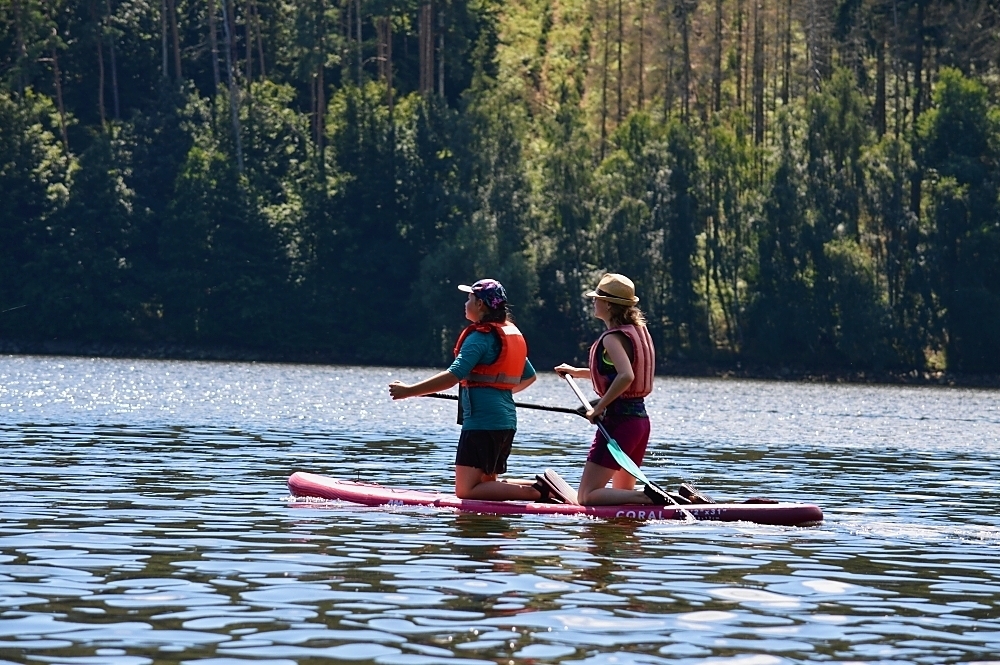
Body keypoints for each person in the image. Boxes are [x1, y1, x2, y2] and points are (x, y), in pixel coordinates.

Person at [388, 279, 544, 501]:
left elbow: (453, 376)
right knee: (485, 484)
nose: (465, 303)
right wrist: (497, 393)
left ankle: (534, 493)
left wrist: (408, 391)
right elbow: (529, 376)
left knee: (465, 491)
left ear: (480, 304)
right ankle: (540, 487)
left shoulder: (480, 338)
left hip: (483, 423)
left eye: (469, 298)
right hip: (505, 421)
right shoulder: (505, 335)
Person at [554, 273, 660, 506]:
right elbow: (614, 373)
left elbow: (626, 376)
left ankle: (649, 496)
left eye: (597, 298)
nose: (594, 301)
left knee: (586, 496)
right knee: (622, 496)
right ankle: (651, 501)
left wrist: (598, 408)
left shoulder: (612, 339)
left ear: (609, 304)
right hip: (639, 422)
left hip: (620, 423)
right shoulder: (636, 331)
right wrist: (576, 372)